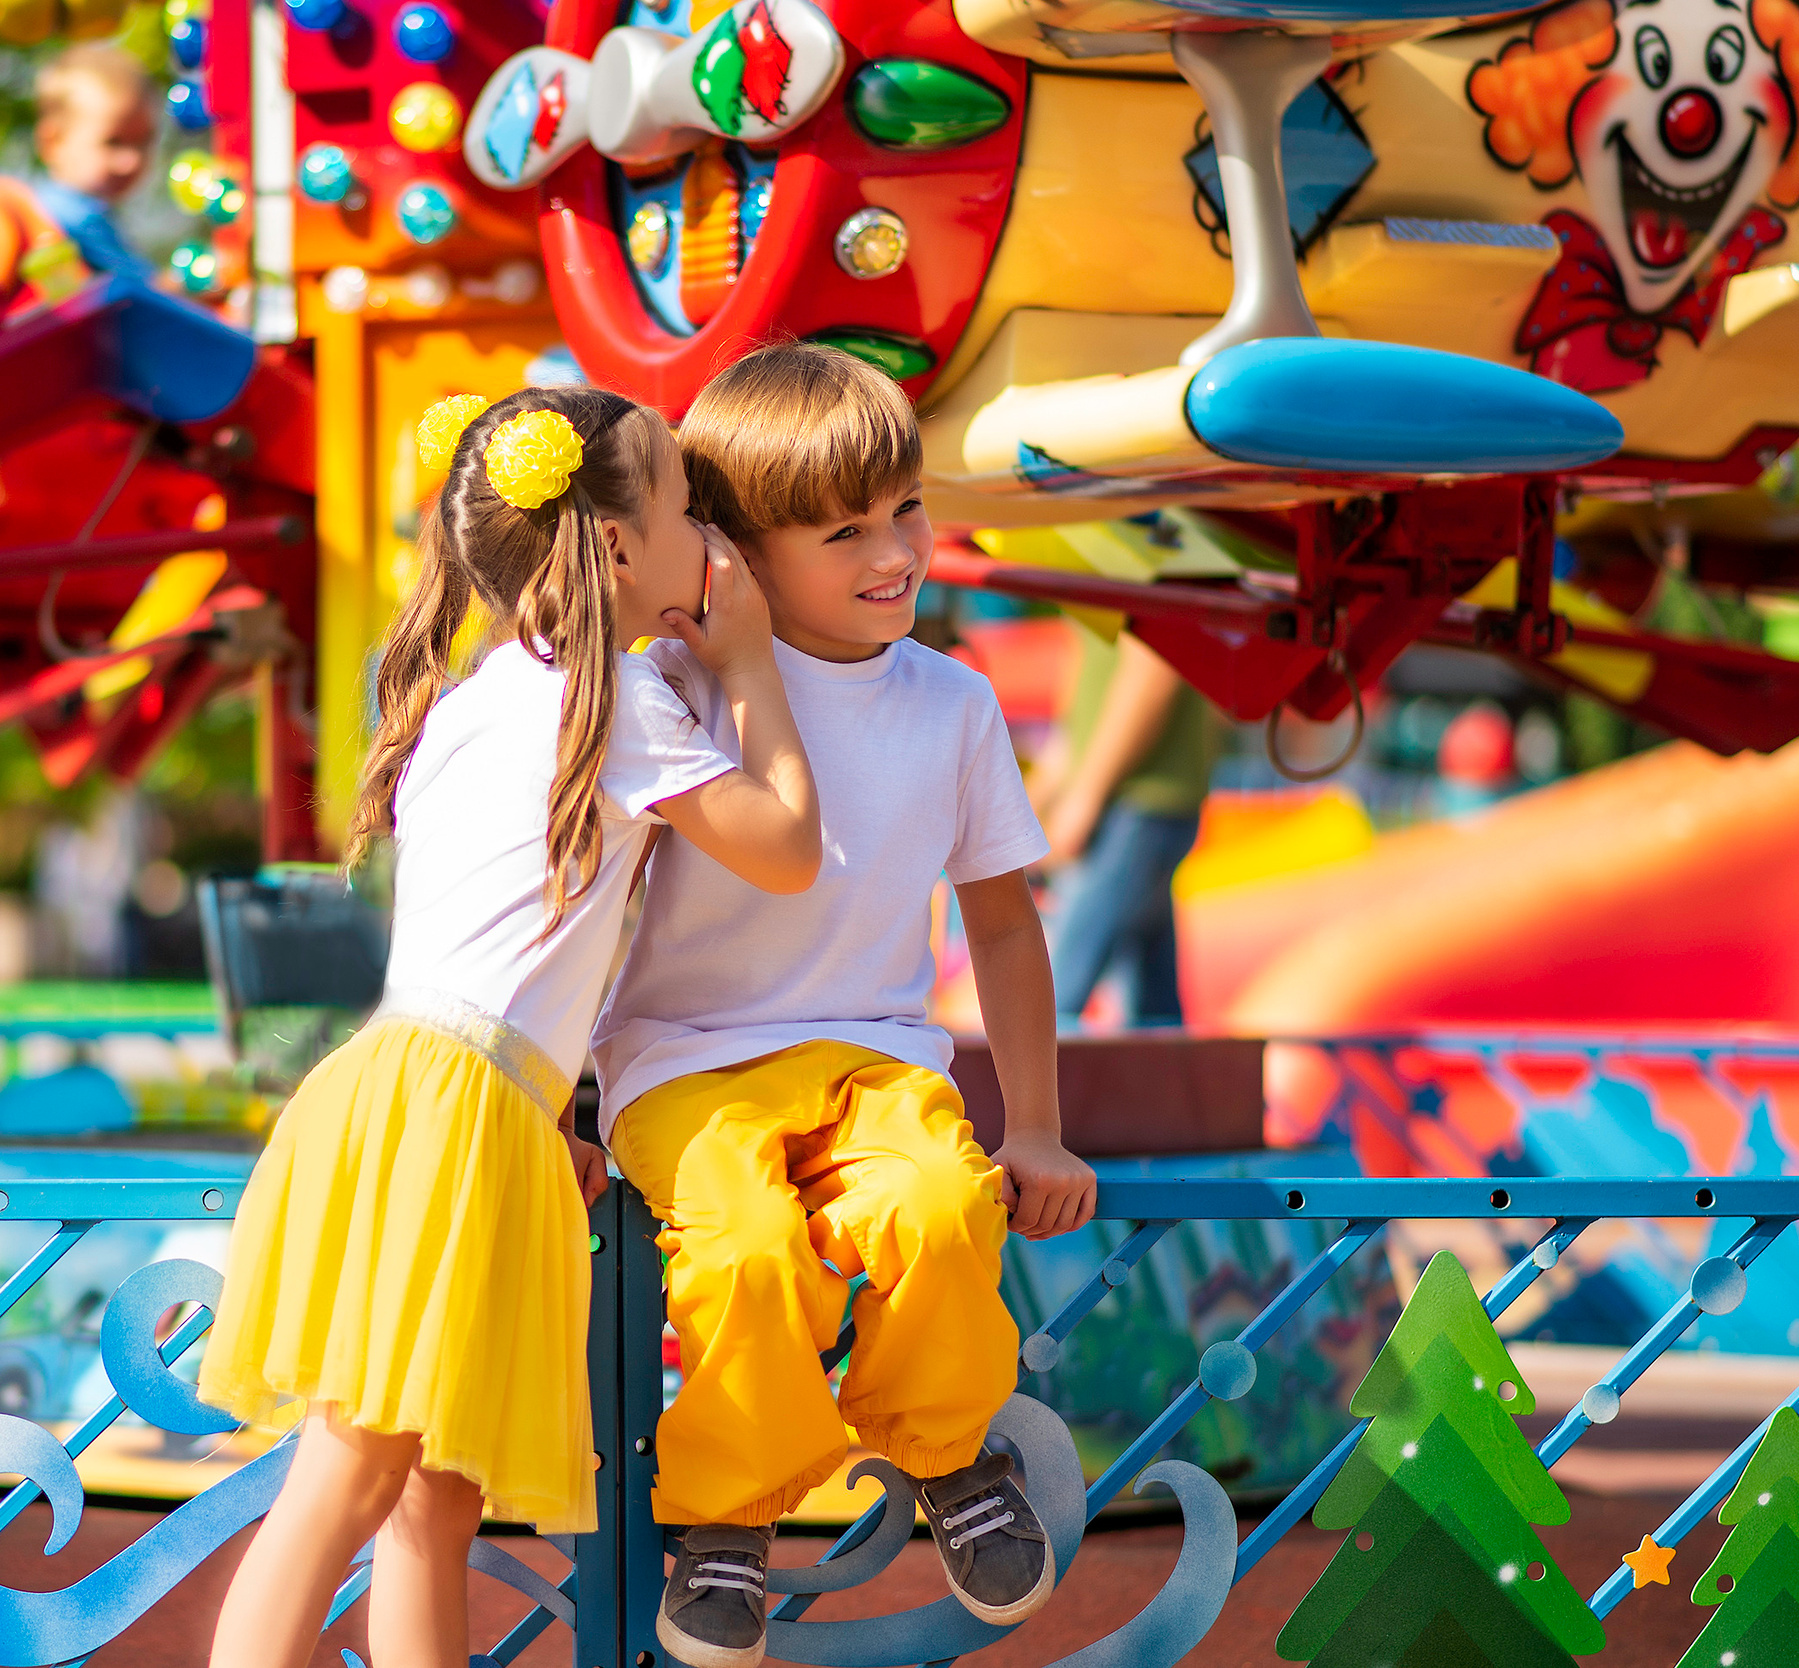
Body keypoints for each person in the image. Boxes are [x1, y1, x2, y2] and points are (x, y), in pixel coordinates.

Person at [197, 387, 823, 1668]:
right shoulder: (614, 700)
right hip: (455, 1110)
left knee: (428, 1497)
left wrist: (548, 1115)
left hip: (427, 1093)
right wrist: (751, 664)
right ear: (614, 544)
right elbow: (788, 848)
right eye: (685, 507)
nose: (707, 535)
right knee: (352, 1480)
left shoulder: (484, 689)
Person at [593, 344, 1098, 1668]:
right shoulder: (672, 689)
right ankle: (728, 1518)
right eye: (844, 532)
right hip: (685, 1063)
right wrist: (559, 1100)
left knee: (942, 1204)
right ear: (738, 554)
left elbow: (1002, 921)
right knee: (750, 1248)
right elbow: (585, 902)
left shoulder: (954, 702)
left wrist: (1034, 1127)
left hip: (874, 1061)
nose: (895, 552)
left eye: (905, 510)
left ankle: (946, 1454)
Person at [1028, 628, 1219, 1034]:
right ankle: (1168, 1077)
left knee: (1053, 998)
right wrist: (1043, 793)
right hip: (1140, 800)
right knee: (1152, 1005)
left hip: (1136, 801)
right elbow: (1086, 696)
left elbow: (1151, 673)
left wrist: (1085, 797)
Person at [29, 43, 159, 279]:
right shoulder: (68, 219)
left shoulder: (87, 212)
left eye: (143, 143)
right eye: (113, 142)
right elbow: (142, 289)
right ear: (53, 143)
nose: (132, 161)